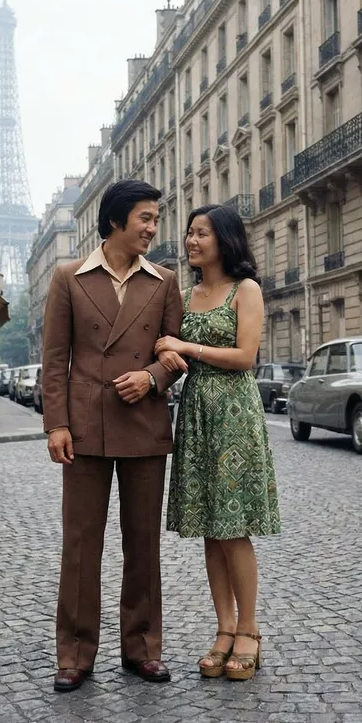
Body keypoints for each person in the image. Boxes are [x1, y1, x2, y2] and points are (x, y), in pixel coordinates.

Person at [41, 179, 185, 693]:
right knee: (80, 544)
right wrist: (56, 424)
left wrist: (152, 377)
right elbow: (56, 361)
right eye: (145, 218)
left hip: (144, 423)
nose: (153, 228)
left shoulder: (165, 281)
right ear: (116, 220)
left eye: (155, 219)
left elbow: (174, 354)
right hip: (84, 428)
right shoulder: (68, 278)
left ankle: (142, 648)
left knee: (142, 543)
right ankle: (74, 654)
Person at [155, 204, 281, 682]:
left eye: (201, 233)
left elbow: (246, 356)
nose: (191, 241)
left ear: (223, 238)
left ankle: (249, 629)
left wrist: (186, 347)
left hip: (233, 414)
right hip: (197, 416)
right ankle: (224, 629)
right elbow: (166, 346)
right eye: (189, 233)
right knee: (211, 526)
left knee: (234, 528)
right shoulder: (188, 295)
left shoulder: (245, 290)